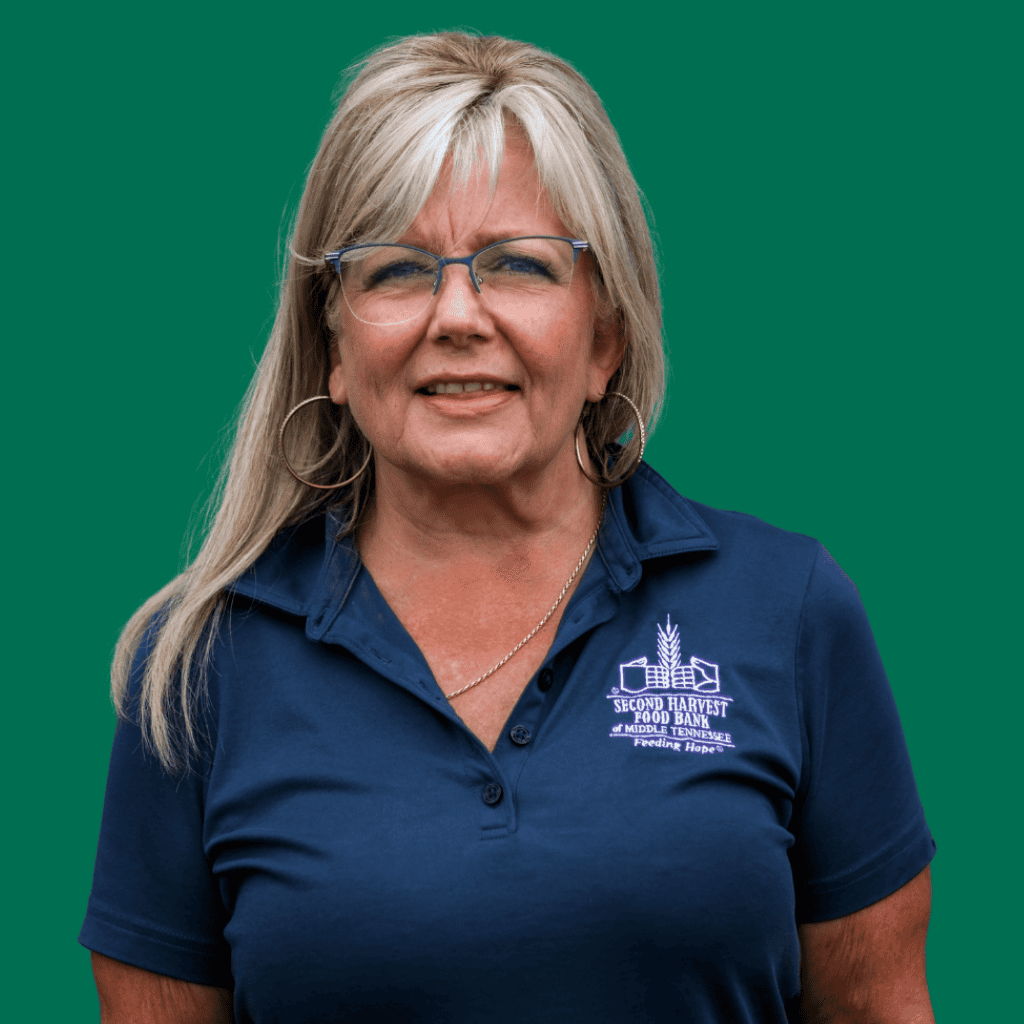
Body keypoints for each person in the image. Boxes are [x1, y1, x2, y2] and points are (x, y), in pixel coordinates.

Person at [80, 32, 936, 1024]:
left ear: (605, 338)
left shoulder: (786, 611)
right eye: (396, 271)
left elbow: (880, 1004)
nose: (457, 314)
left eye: (517, 265)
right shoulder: (195, 666)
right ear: (334, 351)